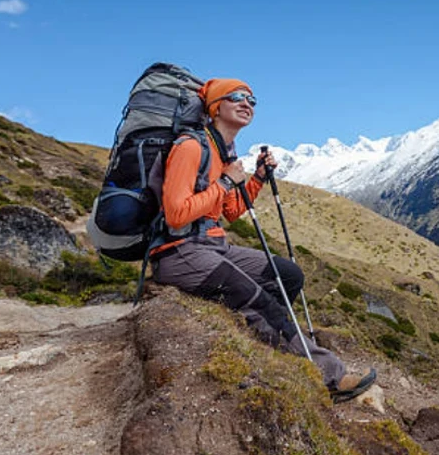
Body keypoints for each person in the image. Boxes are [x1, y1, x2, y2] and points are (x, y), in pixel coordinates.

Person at [150, 77, 375, 402]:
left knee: (287, 275)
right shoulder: (190, 147)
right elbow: (176, 213)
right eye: (237, 97)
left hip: (213, 246)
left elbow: (230, 211)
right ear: (215, 107)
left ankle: (271, 338)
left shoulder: (221, 151)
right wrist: (226, 181)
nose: (247, 103)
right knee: (256, 298)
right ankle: (330, 377)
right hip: (179, 252)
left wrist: (254, 179)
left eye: (252, 100)